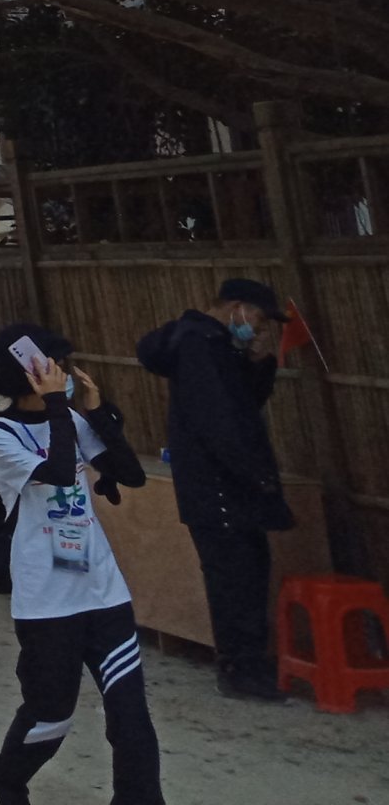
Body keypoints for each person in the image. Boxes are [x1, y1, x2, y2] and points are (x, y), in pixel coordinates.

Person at [0, 323, 158, 805]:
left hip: (103, 591)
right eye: (55, 364)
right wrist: (58, 405)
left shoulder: (71, 420)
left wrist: (96, 413)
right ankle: (5, 778)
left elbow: (129, 474)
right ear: (30, 371)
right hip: (47, 601)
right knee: (51, 714)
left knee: (130, 714)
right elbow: (57, 472)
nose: (65, 372)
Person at [136, 276, 296, 700]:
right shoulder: (200, 346)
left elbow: (242, 404)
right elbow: (221, 421)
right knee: (234, 578)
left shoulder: (216, 345)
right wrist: (255, 475)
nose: (259, 328)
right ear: (237, 307)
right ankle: (240, 668)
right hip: (219, 484)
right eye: (259, 319)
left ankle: (248, 662)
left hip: (221, 483)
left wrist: (258, 365)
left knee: (248, 571)